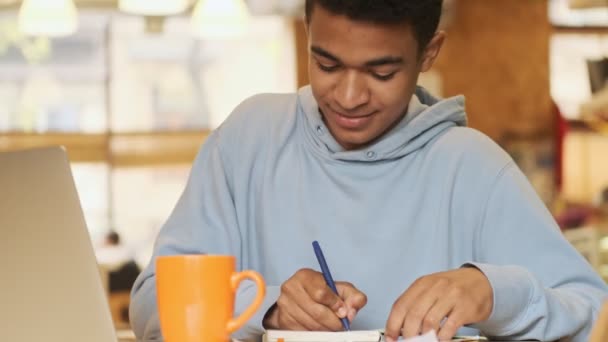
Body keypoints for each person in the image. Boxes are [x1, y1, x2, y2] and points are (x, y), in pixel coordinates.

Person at [130, 0, 608, 341]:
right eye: (327, 63)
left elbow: (593, 314)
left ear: (428, 53)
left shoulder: (474, 168)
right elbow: (151, 303)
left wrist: (494, 292)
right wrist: (268, 307)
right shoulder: (248, 140)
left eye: (381, 72)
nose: (349, 96)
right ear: (307, 30)